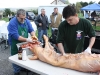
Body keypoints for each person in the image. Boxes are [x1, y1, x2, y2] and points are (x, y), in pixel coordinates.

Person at [7, 9, 37, 75]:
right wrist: (27, 40)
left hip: (24, 43)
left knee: (24, 55)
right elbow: (16, 36)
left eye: (24, 18)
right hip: (15, 43)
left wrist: (34, 36)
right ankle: (17, 71)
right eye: (21, 19)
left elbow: (31, 30)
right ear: (17, 16)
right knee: (16, 57)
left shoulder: (26, 21)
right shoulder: (12, 23)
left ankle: (23, 67)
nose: (23, 20)